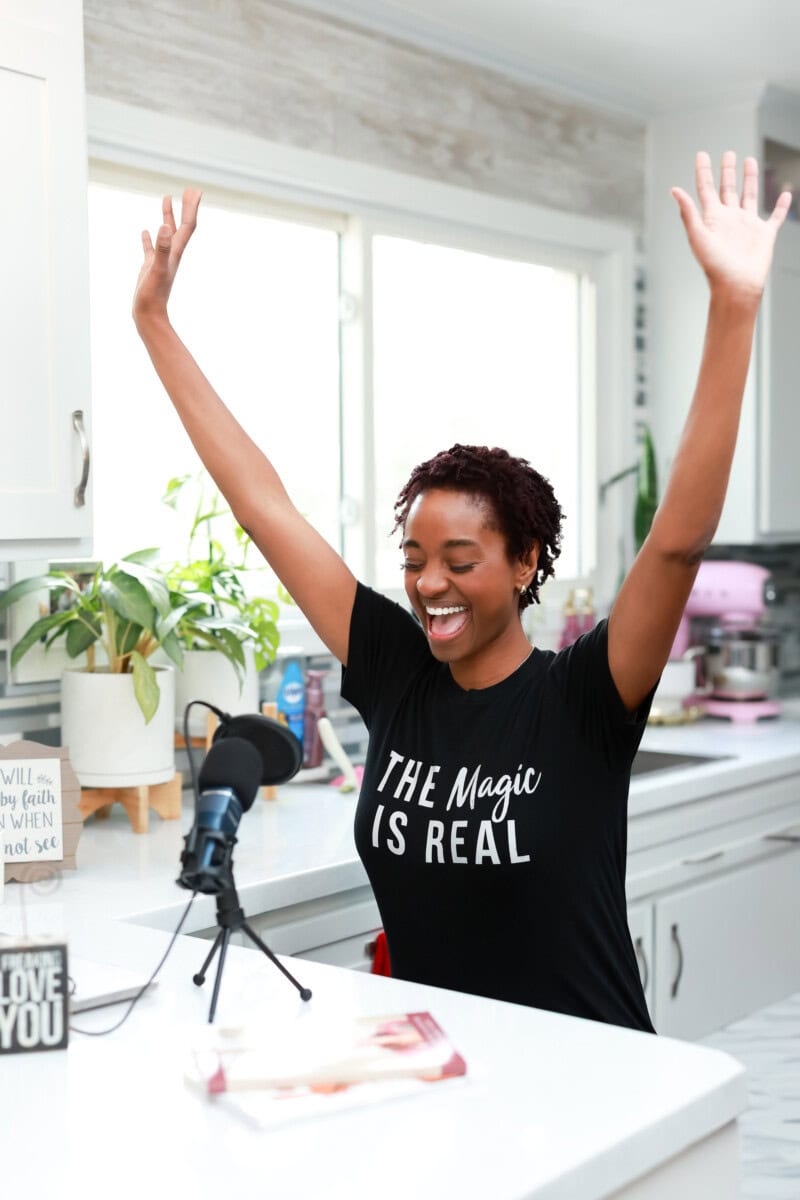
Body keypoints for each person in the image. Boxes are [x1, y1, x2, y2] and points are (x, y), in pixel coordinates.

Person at [134, 152, 790, 1032]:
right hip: (454, 1077)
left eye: (459, 558)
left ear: (525, 565)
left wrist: (735, 307)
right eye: (413, 557)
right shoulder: (397, 673)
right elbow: (264, 508)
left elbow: (675, 544)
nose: (428, 584)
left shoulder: (582, 700)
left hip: (597, 1076)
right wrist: (153, 323)